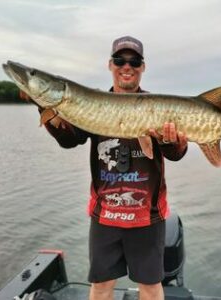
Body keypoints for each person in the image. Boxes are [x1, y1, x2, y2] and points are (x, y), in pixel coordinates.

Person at [21, 36, 188, 300]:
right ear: (110, 65)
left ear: (142, 67)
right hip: (105, 214)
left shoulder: (158, 106)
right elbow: (69, 139)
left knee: (151, 287)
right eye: (120, 60)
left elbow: (176, 153)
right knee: (100, 286)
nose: (127, 66)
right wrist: (43, 106)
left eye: (134, 61)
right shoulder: (89, 103)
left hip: (148, 214)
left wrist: (174, 143)